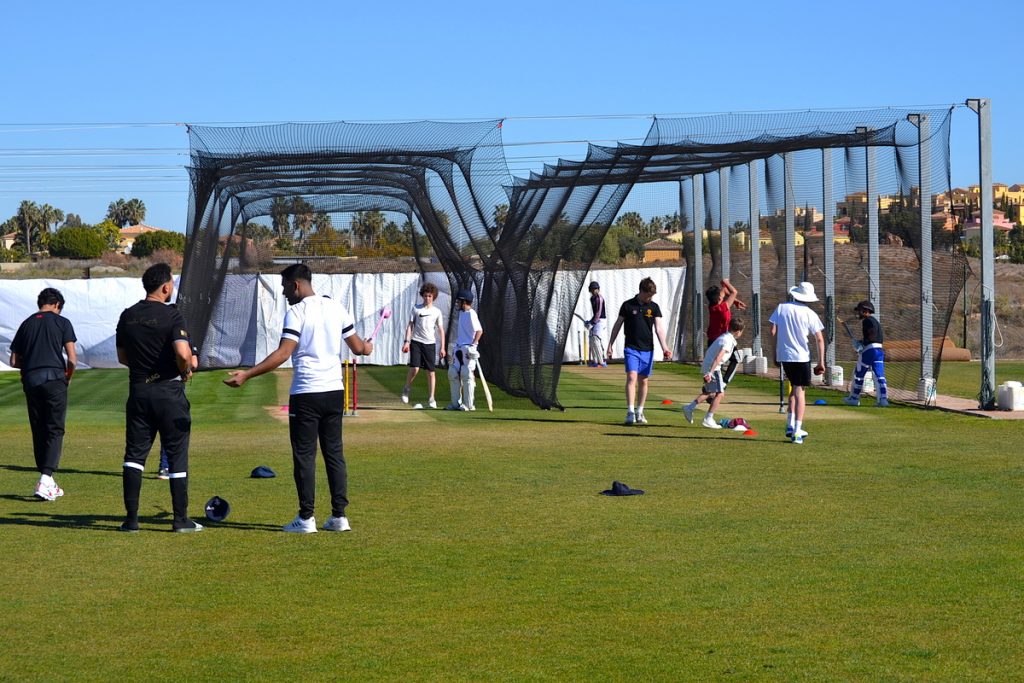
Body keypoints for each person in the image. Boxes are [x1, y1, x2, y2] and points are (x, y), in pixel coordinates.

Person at [224, 263, 373, 533]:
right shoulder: (336, 307)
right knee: (334, 454)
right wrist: (367, 347)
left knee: (304, 456)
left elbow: (283, 354)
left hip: (307, 393)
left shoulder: (296, 312)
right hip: (333, 392)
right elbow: (359, 348)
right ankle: (339, 517)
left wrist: (247, 375)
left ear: (296, 285)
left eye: (284, 288)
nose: (283, 294)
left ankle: (306, 519)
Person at [115, 263, 202, 532]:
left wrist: (145, 371)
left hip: (138, 391)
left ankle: (131, 520)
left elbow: (122, 357)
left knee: (134, 456)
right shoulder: (172, 315)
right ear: (165, 287)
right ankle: (180, 520)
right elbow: (184, 353)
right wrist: (185, 369)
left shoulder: (127, 315)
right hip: (168, 392)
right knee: (176, 455)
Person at [9, 288, 77, 501]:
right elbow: (72, 358)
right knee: (55, 428)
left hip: (31, 378)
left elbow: (13, 361)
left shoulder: (26, 323)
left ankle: (47, 480)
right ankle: (46, 477)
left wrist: (29, 367)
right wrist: (68, 376)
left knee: (38, 427)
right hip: (54, 378)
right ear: (56, 304)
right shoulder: (62, 322)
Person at [606, 277, 672, 425]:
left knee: (644, 381)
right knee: (631, 378)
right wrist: (610, 344)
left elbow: (659, 329)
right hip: (631, 348)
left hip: (648, 350)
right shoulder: (627, 305)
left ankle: (640, 412)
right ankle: (630, 412)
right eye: (648, 295)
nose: (650, 298)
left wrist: (665, 348)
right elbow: (617, 325)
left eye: (652, 296)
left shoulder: (654, 307)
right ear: (641, 291)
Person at [769, 281, 826, 445]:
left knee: (794, 388)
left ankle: (790, 424)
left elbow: (772, 331)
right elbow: (819, 338)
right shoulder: (810, 314)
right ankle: (796, 431)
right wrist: (821, 362)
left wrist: (775, 353)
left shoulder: (781, 308)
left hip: (785, 356)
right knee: (800, 392)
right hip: (801, 356)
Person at [683, 318, 744, 429]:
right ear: (738, 331)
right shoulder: (728, 341)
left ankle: (689, 408)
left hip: (709, 365)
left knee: (709, 392)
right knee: (720, 394)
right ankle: (708, 419)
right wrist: (710, 372)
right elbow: (719, 356)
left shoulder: (725, 337)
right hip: (713, 367)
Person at [400, 282, 446, 409]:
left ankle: (432, 399)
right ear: (422, 296)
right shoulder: (416, 308)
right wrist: (406, 342)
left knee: (431, 372)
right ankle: (406, 389)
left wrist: (442, 347)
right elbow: (410, 326)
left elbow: (441, 330)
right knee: (415, 368)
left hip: (430, 344)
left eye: (430, 296)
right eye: (425, 296)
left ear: (434, 297)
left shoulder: (437, 312)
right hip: (416, 342)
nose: (427, 298)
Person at [158, 344, 200, 479]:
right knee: (172, 428)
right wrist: (185, 370)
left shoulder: (154, 333)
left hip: (149, 386)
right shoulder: (183, 335)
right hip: (174, 389)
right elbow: (193, 363)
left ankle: (163, 466)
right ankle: (166, 466)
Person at [843, 300, 890, 407]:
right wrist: (861, 342)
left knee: (858, 374)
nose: (858, 313)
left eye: (859, 311)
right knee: (879, 376)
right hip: (879, 351)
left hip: (869, 351)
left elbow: (871, 336)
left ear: (865, 311)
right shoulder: (875, 321)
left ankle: (854, 398)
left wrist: (861, 344)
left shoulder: (867, 321)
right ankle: (883, 400)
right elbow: (875, 338)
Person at [445, 289, 483, 411]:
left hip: (468, 348)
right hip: (459, 347)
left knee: (466, 374)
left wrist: (474, 345)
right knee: (453, 373)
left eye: (459, 301)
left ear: (465, 301)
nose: (457, 304)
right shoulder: (462, 313)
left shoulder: (472, 314)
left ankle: (469, 405)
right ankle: (455, 403)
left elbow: (479, 330)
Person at [706, 278, 747, 385]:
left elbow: (726, 293)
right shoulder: (722, 308)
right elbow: (734, 292)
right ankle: (723, 383)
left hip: (712, 340)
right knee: (736, 359)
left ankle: (710, 388)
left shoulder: (713, 306)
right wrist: (726, 282)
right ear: (720, 298)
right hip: (722, 340)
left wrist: (735, 301)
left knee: (715, 365)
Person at [586, 281, 607, 368]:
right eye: (593, 289)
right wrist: (590, 321)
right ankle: (595, 361)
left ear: (598, 289)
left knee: (596, 339)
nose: (595, 291)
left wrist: (592, 323)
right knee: (591, 339)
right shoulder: (592, 299)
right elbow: (595, 313)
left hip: (601, 320)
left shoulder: (599, 298)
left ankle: (601, 362)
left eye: (596, 289)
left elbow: (598, 313)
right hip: (596, 320)